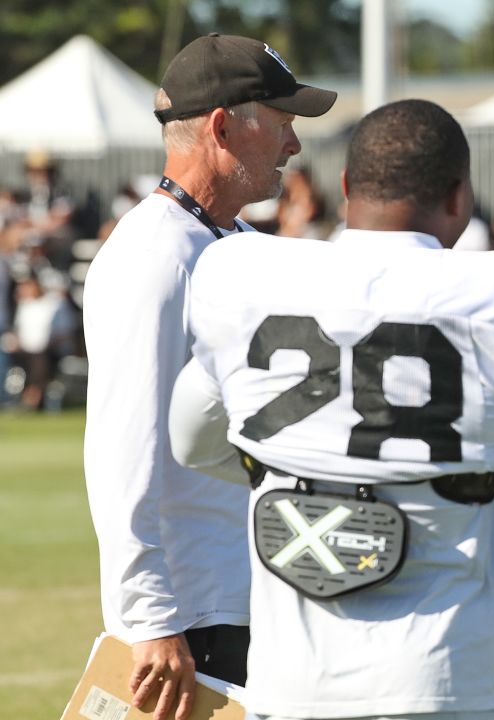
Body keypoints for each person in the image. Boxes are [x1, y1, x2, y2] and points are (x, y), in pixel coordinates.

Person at [165, 98, 494, 720]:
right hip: (443, 680)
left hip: (292, 687)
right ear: (459, 198)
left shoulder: (242, 272)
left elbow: (192, 444)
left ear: (346, 189)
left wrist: (309, 466)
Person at [82, 33, 335, 720]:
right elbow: (122, 451)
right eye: (282, 122)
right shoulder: (155, 257)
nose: (293, 145)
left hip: (251, 593)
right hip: (192, 614)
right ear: (225, 124)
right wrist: (148, 618)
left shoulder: (232, 242)